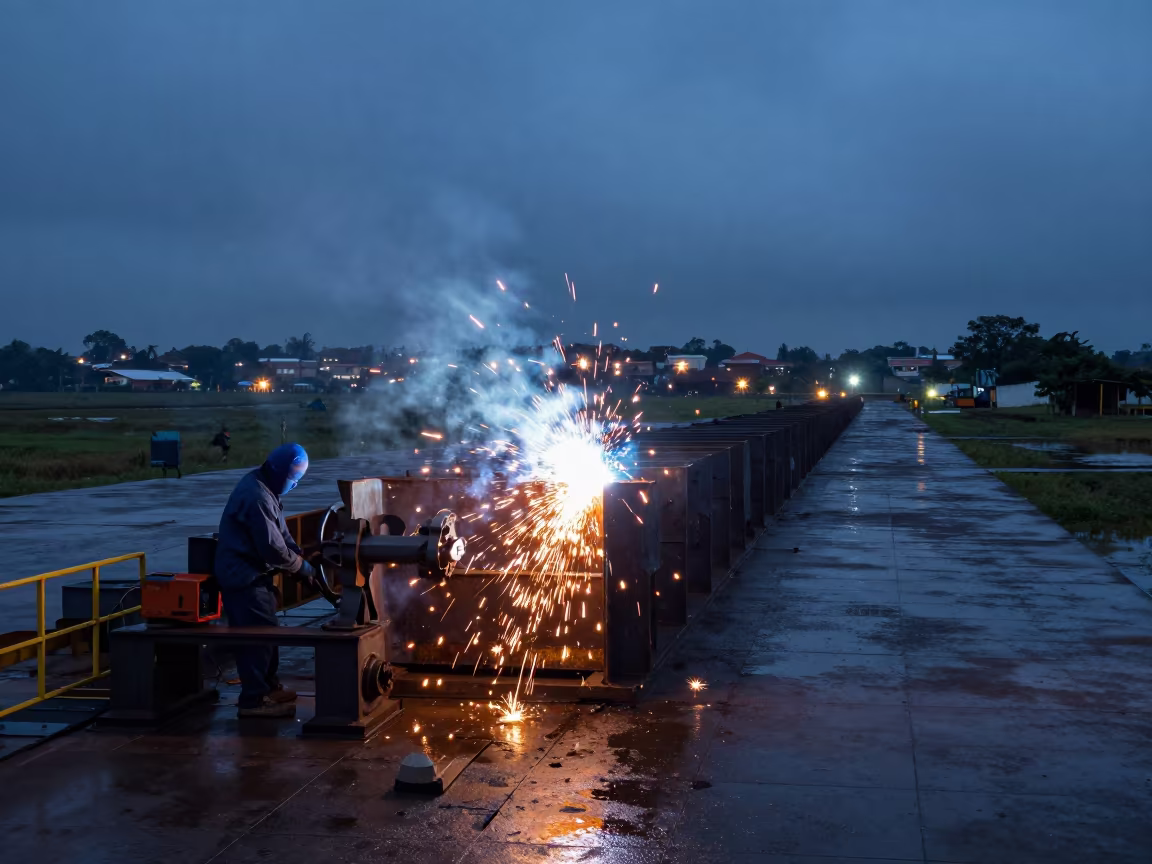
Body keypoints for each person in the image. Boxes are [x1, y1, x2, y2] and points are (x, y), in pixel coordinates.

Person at [215, 442, 318, 718]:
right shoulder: (257, 496)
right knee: (257, 638)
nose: (294, 485)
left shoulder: (265, 487)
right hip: (243, 576)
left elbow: (281, 534)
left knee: (268, 631)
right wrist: (301, 568)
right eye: (293, 479)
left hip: (254, 573)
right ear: (279, 471)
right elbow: (271, 548)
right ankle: (254, 700)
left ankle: (269, 687)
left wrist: (298, 557)